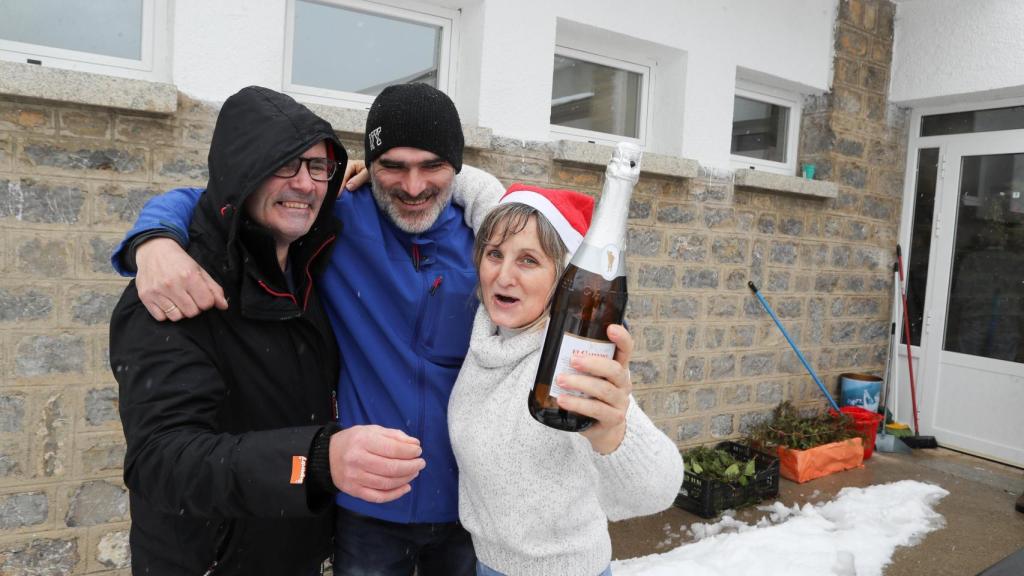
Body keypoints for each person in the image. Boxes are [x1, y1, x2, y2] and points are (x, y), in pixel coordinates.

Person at [113, 83, 518, 574]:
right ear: (371, 166)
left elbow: (566, 280)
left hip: (469, 505)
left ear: (455, 166)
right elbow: (216, 199)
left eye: (433, 164)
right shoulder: (337, 220)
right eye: (392, 165)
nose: (413, 187)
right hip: (364, 513)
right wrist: (154, 240)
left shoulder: (492, 242)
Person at [448, 184, 684, 576]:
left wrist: (612, 434)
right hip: (487, 566)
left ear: (564, 278)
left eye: (528, 260)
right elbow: (480, 195)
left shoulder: (570, 358)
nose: (503, 276)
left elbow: (658, 487)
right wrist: (393, 166)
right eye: (494, 254)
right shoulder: (488, 335)